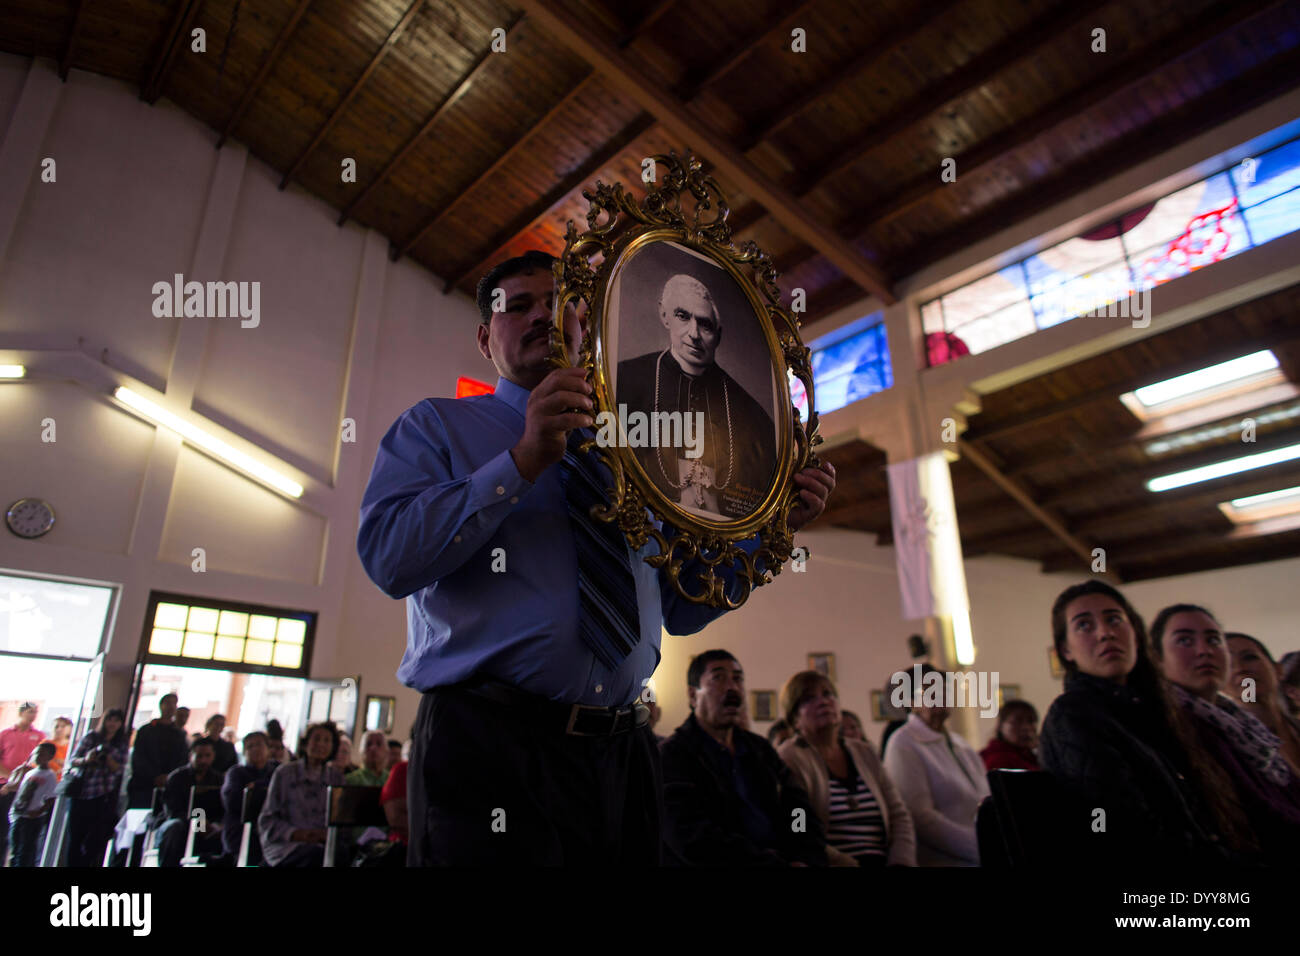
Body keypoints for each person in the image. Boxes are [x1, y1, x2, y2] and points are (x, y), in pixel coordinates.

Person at [357, 250, 834, 866]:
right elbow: (389, 560)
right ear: (485, 337)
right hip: (491, 747)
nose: (542, 316)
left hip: (625, 752)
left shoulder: (637, 446)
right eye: (518, 305)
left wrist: (769, 534)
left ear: (586, 325)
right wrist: (523, 461)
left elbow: (679, 609)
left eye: (559, 304)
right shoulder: (436, 427)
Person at [1038, 581, 1242, 865]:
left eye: (1114, 619)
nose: (1105, 633)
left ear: (1135, 633)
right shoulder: (1074, 715)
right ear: (1066, 651)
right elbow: (1126, 835)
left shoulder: (1151, 710)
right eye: (1084, 625)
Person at [616, 273, 776, 519]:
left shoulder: (752, 415)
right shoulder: (624, 379)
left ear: (719, 335)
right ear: (664, 315)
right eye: (683, 316)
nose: (694, 333)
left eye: (705, 324)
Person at [1149, 606, 1297, 863]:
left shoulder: (1241, 729)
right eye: (1184, 640)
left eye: (1213, 640)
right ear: (1157, 659)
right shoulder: (1167, 728)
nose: (1204, 650)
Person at [660, 651, 827, 866]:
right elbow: (691, 835)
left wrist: (803, 854)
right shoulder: (673, 755)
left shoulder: (760, 750)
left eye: (738, 679)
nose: (732, 687)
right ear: (693, 695)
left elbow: (797, 809)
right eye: (718, 678)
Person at [777, 671, 915, 867]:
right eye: (809, 698)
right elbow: (798, 827)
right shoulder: (790, 757)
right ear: (795, 719)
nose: (823, 701)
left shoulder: (864, 752)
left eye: (828, 694)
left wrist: (901, 862)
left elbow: (898, 814)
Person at [882, 663, 989, 866]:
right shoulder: (903, 743)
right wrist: (980, 847)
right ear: (910, 701)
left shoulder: (961, 744)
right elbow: (920, 817)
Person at [259, 722, 345, 867]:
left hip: (322, 844)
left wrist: (324, 835)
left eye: (326, 741)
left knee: (341, 853)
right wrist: (298, 833)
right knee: (314, 856)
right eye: (316, 739)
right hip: (286, 845)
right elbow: (268, 819)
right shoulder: (284, 773)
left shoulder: (337, 778)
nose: (321, 745)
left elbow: (340, 820)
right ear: (305, 744)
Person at [64, 708, 129, 867]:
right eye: (109, 720)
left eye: (116, 721)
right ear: (104, 721)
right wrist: (87, 759)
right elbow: (73, 760)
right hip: (82, 793)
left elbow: (120, 769)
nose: (112, 724)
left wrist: (107, 758)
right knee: (75, 838)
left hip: (103, 795)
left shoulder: (120, 744)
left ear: (121, 724)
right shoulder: (91, 737)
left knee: (96, 839)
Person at [1227, 632, 1300, 774]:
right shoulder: (1232, 745)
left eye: (1249, 657)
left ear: (1278, 670)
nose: (1240, 669)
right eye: (1228, 664)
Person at [155, 739, 225, 867]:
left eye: (207, 756)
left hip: (208, 827)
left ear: (213, 756)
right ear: (190, 756)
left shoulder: (219, 779)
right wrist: (196, 822)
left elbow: (223, 809)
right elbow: (172, 811)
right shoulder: (177, 777)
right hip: (179, 825)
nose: (203, 760)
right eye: (199, 756)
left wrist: (216, 824)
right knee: (173, 827)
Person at [220, 731, 279, 861]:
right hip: (243, 826)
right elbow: (233, 803)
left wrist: (257, 787)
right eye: (249, 746)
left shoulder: (278, 771)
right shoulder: (236, 773)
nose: (255, 749)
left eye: (259, 744)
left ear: (268, 749)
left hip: (275, 824)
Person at [0, 702, 45, 864]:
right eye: (30, 712)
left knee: (21, 828)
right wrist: (13, 777)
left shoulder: (39, 736)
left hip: (27, 787)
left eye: (35, 712)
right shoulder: (5, 734)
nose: (33, 715)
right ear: (22, 712)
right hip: (5, 785)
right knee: (3, 826)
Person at [127, 694, 189, 809]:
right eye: (168, 703)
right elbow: (139, 758)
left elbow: (182, 759)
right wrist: (154, 776)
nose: (171, 706)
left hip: (169, 785)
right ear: (161, 706)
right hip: (144, 784)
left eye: (174, 704)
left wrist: (170, 776)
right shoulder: (146, 730)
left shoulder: (179, 734)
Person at [7, 742, 57, 867]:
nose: (37, 756)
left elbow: (51, 798)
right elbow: (18, 791)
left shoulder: (49, 775)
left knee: (26, 851)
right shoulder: (30, 773)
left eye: (41, 754)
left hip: (31, 819)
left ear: (50, 757)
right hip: (19, 815)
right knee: (15, 848)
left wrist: (39, 812)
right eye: (36, 753)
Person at [980, 700, 1041, 771]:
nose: (1026, 727)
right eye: (1018, 721)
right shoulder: (996, 759)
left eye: (1031, 721)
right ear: (1001, 726)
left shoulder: (1032, 755)